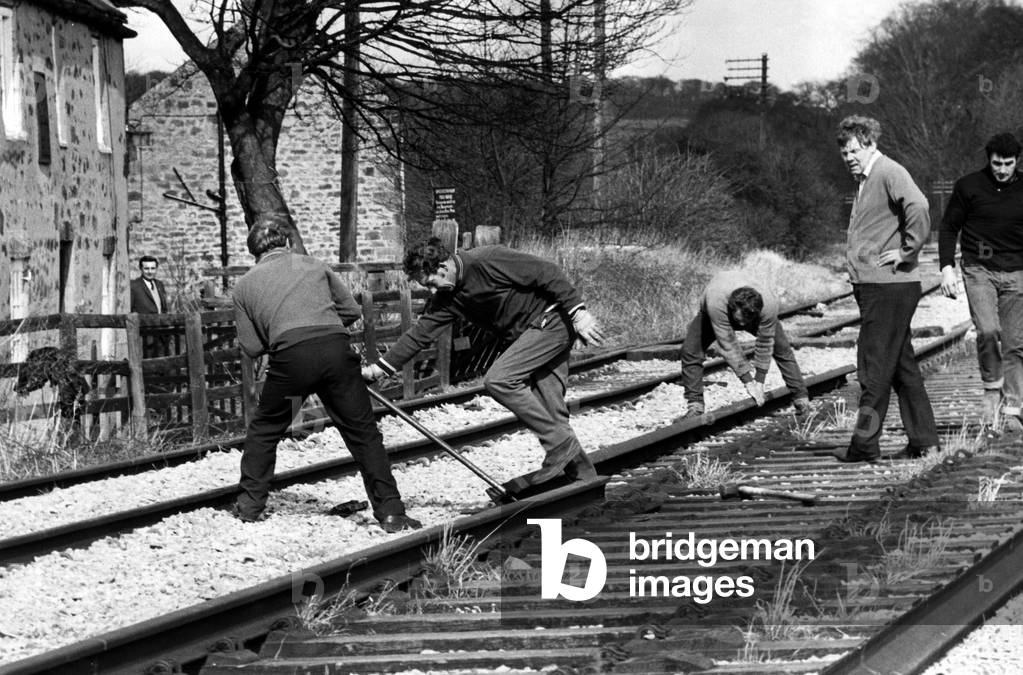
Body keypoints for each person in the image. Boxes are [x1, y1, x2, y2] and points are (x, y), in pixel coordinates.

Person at [362, 237, 604, 484]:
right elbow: (419, 335)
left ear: (444, 267)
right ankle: (585, 482)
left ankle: (561, 447)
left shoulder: (487, 259)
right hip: (531, 335)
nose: (432, 291)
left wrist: (578, 312)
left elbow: (546, 272)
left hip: (552, 321)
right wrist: (380, 369)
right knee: (550, 409)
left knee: (499, 379)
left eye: (432, 283)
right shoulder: (447, 299)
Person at [231, 215, 421, 532]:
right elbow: (351, 310)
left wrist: (280, 333)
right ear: (286, 243)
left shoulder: (244, 285)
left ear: (254, 251)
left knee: (265, 431)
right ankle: (391, 511)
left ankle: (250, 507)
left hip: (292, 361)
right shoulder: (313, 265)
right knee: (363, 433)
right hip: (336, 353)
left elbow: (250, 347)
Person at [836, 115, 939, 462]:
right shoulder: (867, 179)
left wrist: (908, 250)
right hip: (879, 286)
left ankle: (864, 446)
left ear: (870, 145)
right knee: (900, 366)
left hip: (888, 287)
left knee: (873, 369)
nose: (849, 157)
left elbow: (920, 206)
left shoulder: (888, 171)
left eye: (854, 150)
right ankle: (925, 440)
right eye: (844, 151)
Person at [939, 132, 1023, 433]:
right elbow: (948, 228)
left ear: (1017, 161)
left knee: (1015, 343)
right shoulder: (969, 186)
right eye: (997, 163)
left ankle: (1012, 409)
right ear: (988, 160)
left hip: (1017, 272)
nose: (1002, 169)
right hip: (978, 270)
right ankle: (992, 391)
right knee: (987, 330)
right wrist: (946, 267)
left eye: (1008, 164)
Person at [678, 271, 810, 420]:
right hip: (714, 311)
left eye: (747, 320)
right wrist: (748, 382)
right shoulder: (716, 303)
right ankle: (695, 406)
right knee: (690, 351)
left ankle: (801, 398)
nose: (743, 325)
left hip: (754, 311)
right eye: (740, 320)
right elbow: (729, 345)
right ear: (733, 309)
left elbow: (765, 343)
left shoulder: (769, 305)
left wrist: (759, 380)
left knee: (782, 350)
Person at [130, 255, 171, 357]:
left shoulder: (160, 284)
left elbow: (163, 308)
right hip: (145, 337)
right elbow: (130, 310)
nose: (150, 271)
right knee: (148, 368)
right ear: (140, 269)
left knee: (164, 366)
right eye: (146, 268)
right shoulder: (134, 286)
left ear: (156, 269)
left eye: (153, 268)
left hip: (162, 335)